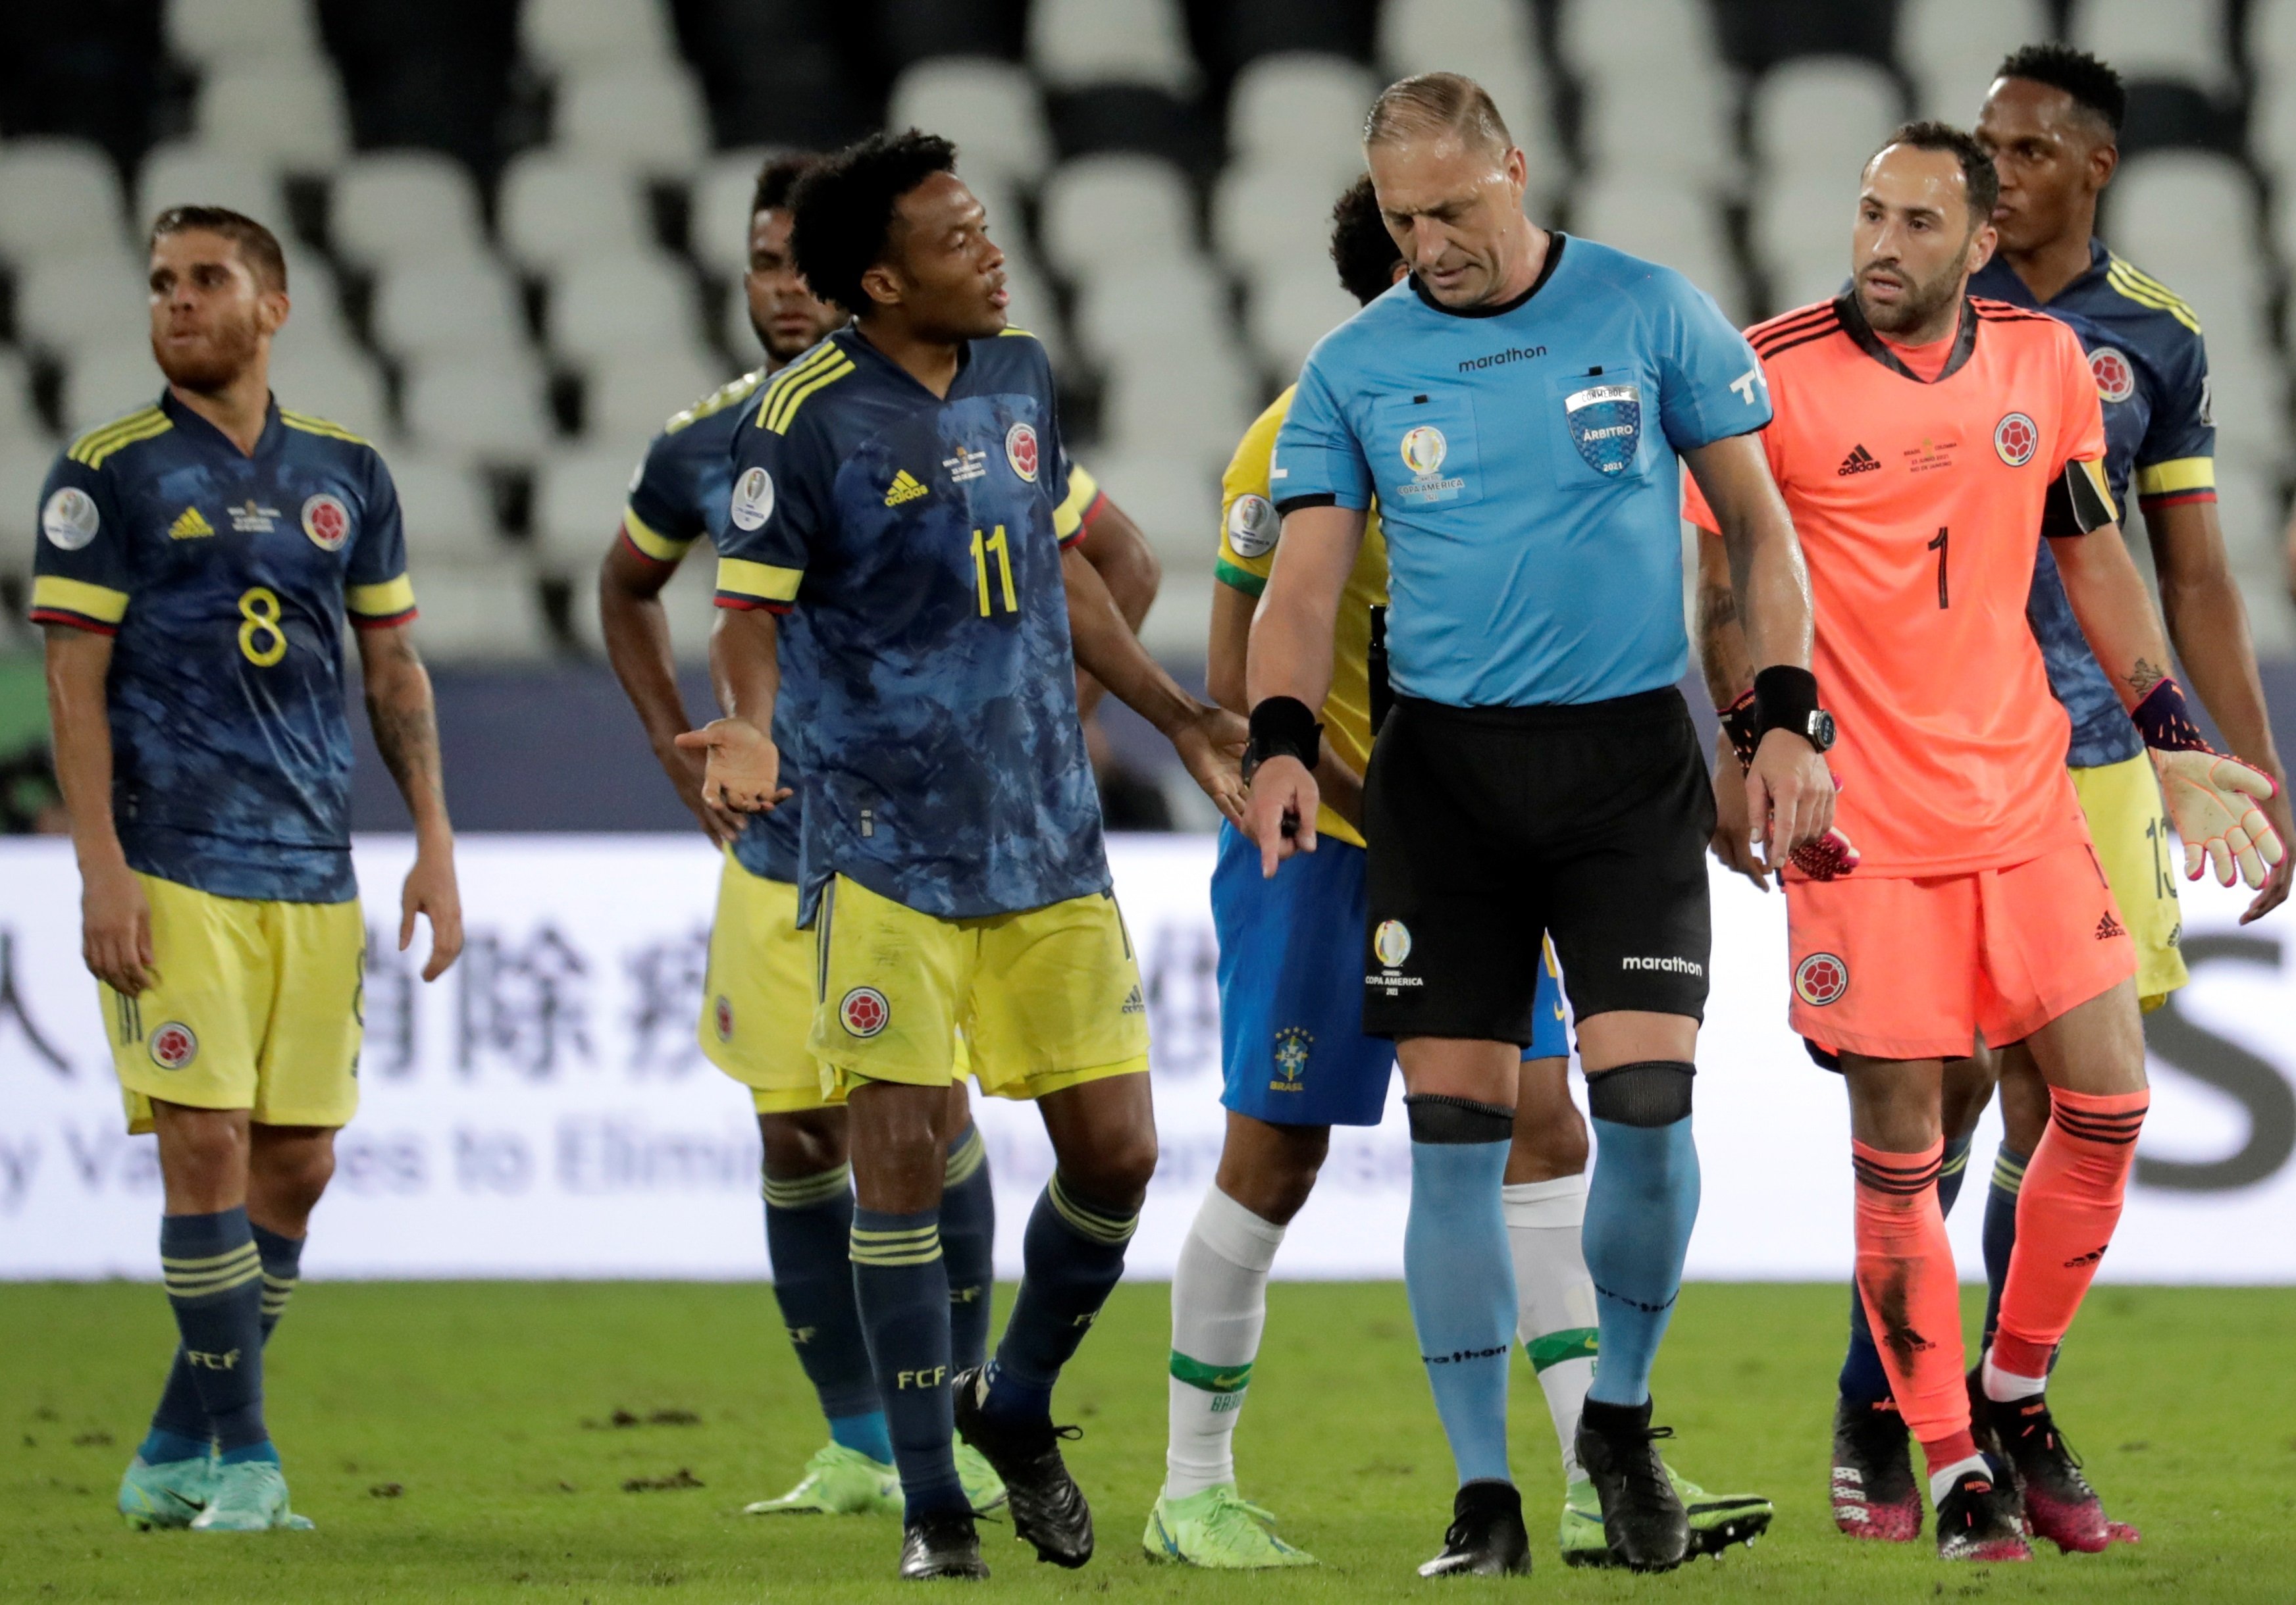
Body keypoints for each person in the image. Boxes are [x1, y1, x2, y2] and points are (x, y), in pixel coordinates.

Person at [1243, 74, 1835, 1576]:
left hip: (1629, 765)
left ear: (1515, 166)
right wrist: (1280, 743)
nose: (1430, 240)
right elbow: (1301, 588)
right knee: (1455, 1141)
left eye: (1454, 205)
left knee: (1646, 1114)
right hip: (1444, 786)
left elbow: (1761, 528)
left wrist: (1777, 719)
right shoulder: (1355, 367)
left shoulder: (1651, 312)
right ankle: (1484, 1496)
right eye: (1400, 217)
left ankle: (1621, 1426)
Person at [1688, 124, 2282, 1562]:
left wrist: (2167, 726)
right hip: (1860, 824)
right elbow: (1720, 578)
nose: (1880, 246)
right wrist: (1748, 731)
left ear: (1977, 241)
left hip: (2023, 800)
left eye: (1914, 223)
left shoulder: (2044, 366)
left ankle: (2014, 1392)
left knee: (2111, 1102)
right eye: (1867, 212)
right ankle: (1948, 1459)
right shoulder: (1771, 374)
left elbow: (2095, 552)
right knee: (1907, 1147)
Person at [685, 130, 1246, 1581]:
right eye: (958, 238)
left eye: (987, 225)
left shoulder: (1017, 378)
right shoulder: (802, 420)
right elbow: (744, 611)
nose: (992, 252)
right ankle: (934, 1500)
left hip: (1046, 838)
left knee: (1119, 1152)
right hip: (884, 847)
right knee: (901, 1153)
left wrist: (1178, 714)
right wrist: (749, 729)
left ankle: (1015, 1399)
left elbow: (1070, 569)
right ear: (879, 279)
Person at [32, 206, 461, 1533]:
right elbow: (72, 680)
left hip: (312, 867)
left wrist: (435, 839)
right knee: (204, 1143)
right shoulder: (105, 472)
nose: (178, 302)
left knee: (299, 1164)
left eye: (207, 280)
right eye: (163, 283)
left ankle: (171, 1443)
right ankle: (248, 1458)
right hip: (175, 862)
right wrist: (102, 866)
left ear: (272, 305)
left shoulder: (350, 473)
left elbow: (390, 665)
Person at [598, 151, 1008, 1520]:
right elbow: (628, 587)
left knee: (927, 1118)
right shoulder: (703, 441)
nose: (783, 290)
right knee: (794, 1138)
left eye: (801, 263)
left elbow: (1107, 564)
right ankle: (855, 1441)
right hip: (781, 853)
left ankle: (957, 1416)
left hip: (911, 852)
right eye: (762, 265)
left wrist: (1011, 739)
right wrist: (684, 754)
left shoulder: (950, 404)